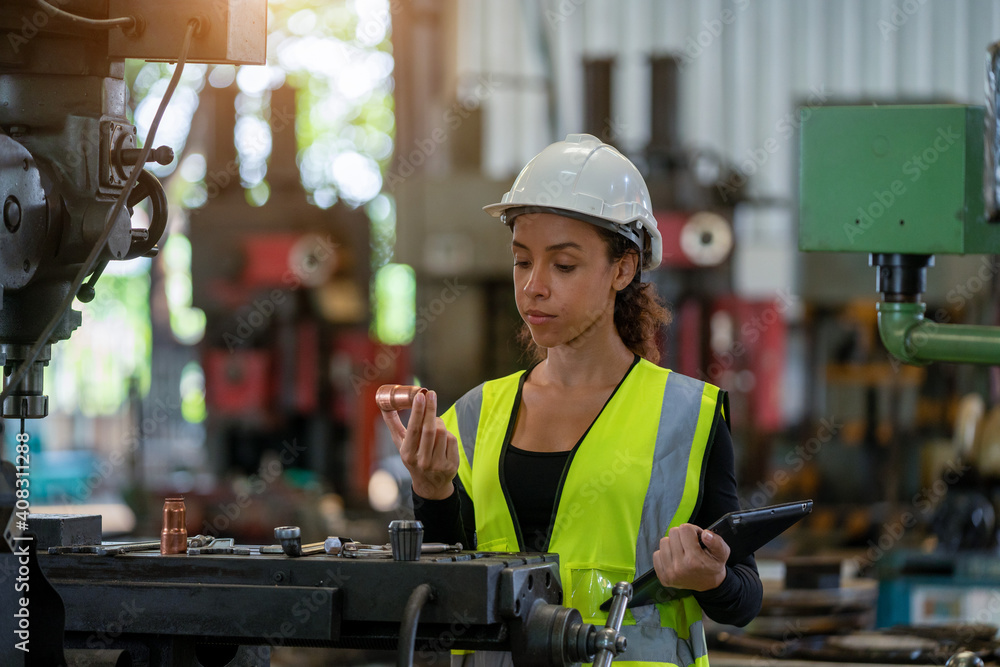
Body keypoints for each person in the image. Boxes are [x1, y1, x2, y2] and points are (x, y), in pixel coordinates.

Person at [379, 134, 762, 667]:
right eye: (521, 262)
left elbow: (745, 598)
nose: (534, 287)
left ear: (623, 270)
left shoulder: (685, 415)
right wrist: (431, 490)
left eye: (563, 266)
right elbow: (441, 589)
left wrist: (712, 578)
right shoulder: (473, 414)